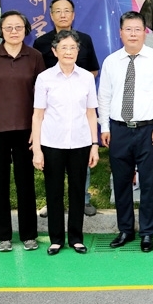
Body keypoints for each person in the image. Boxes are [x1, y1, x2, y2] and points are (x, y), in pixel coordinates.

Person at [98, 12, 153, 253]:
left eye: (137, 29)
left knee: (149, 184)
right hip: (118, 130)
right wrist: (105, 127)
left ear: (144, 33)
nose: (133, 34)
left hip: (148, 130)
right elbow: (104, 96)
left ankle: (148, 232)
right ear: (120, 33)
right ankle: (125, 229)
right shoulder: (111, 61)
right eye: (128, 29)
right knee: (121, 183)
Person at [0, 11, 45, 252]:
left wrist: (37, 130)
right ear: (1, 31)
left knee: (26, 183)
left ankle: (29, 234)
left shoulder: (35, 56)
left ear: (26, 30)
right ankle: (3, 235)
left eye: (18, 27)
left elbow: (43, 96)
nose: (14, 31)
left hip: (26, 130)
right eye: (8, 27)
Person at [32, 30, 100, 256]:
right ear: (55, 51)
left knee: (78, 191)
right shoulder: (45, 78)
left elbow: (91, 113)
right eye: (64, 47)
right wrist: (37, 149)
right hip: (52, 143)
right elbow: (38, 115)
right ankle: (56, 239)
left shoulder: (87, 78)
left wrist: (94, 145)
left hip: (80, 143)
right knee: (54, 192)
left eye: (73, 48)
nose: (68, 52)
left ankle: (76, 238)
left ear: (78, 51)